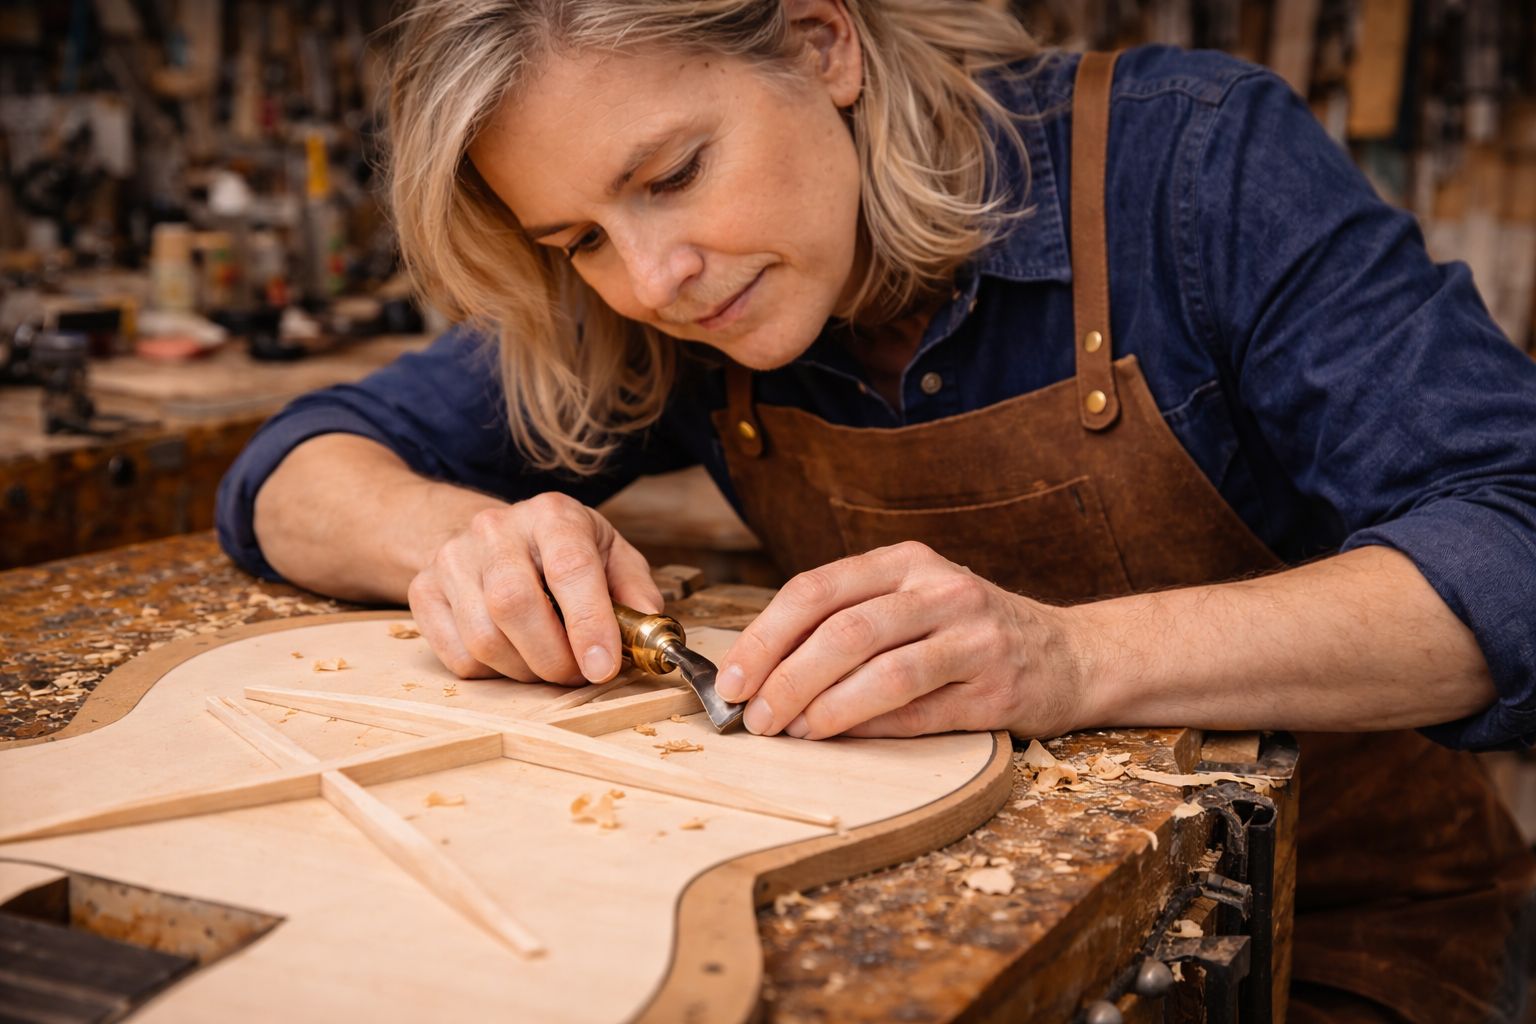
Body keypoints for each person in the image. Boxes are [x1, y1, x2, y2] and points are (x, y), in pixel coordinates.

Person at [218, 1, 1536, 1019]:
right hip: (914, 941)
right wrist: (464, 543)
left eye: (674, 173)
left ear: (822, 40)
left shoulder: (1191, 164)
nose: (653, 278)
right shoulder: (661, 303)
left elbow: (1515, 535)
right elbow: (296, 465)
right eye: (578, 241)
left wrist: (1070, 657)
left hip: (1325, 925)